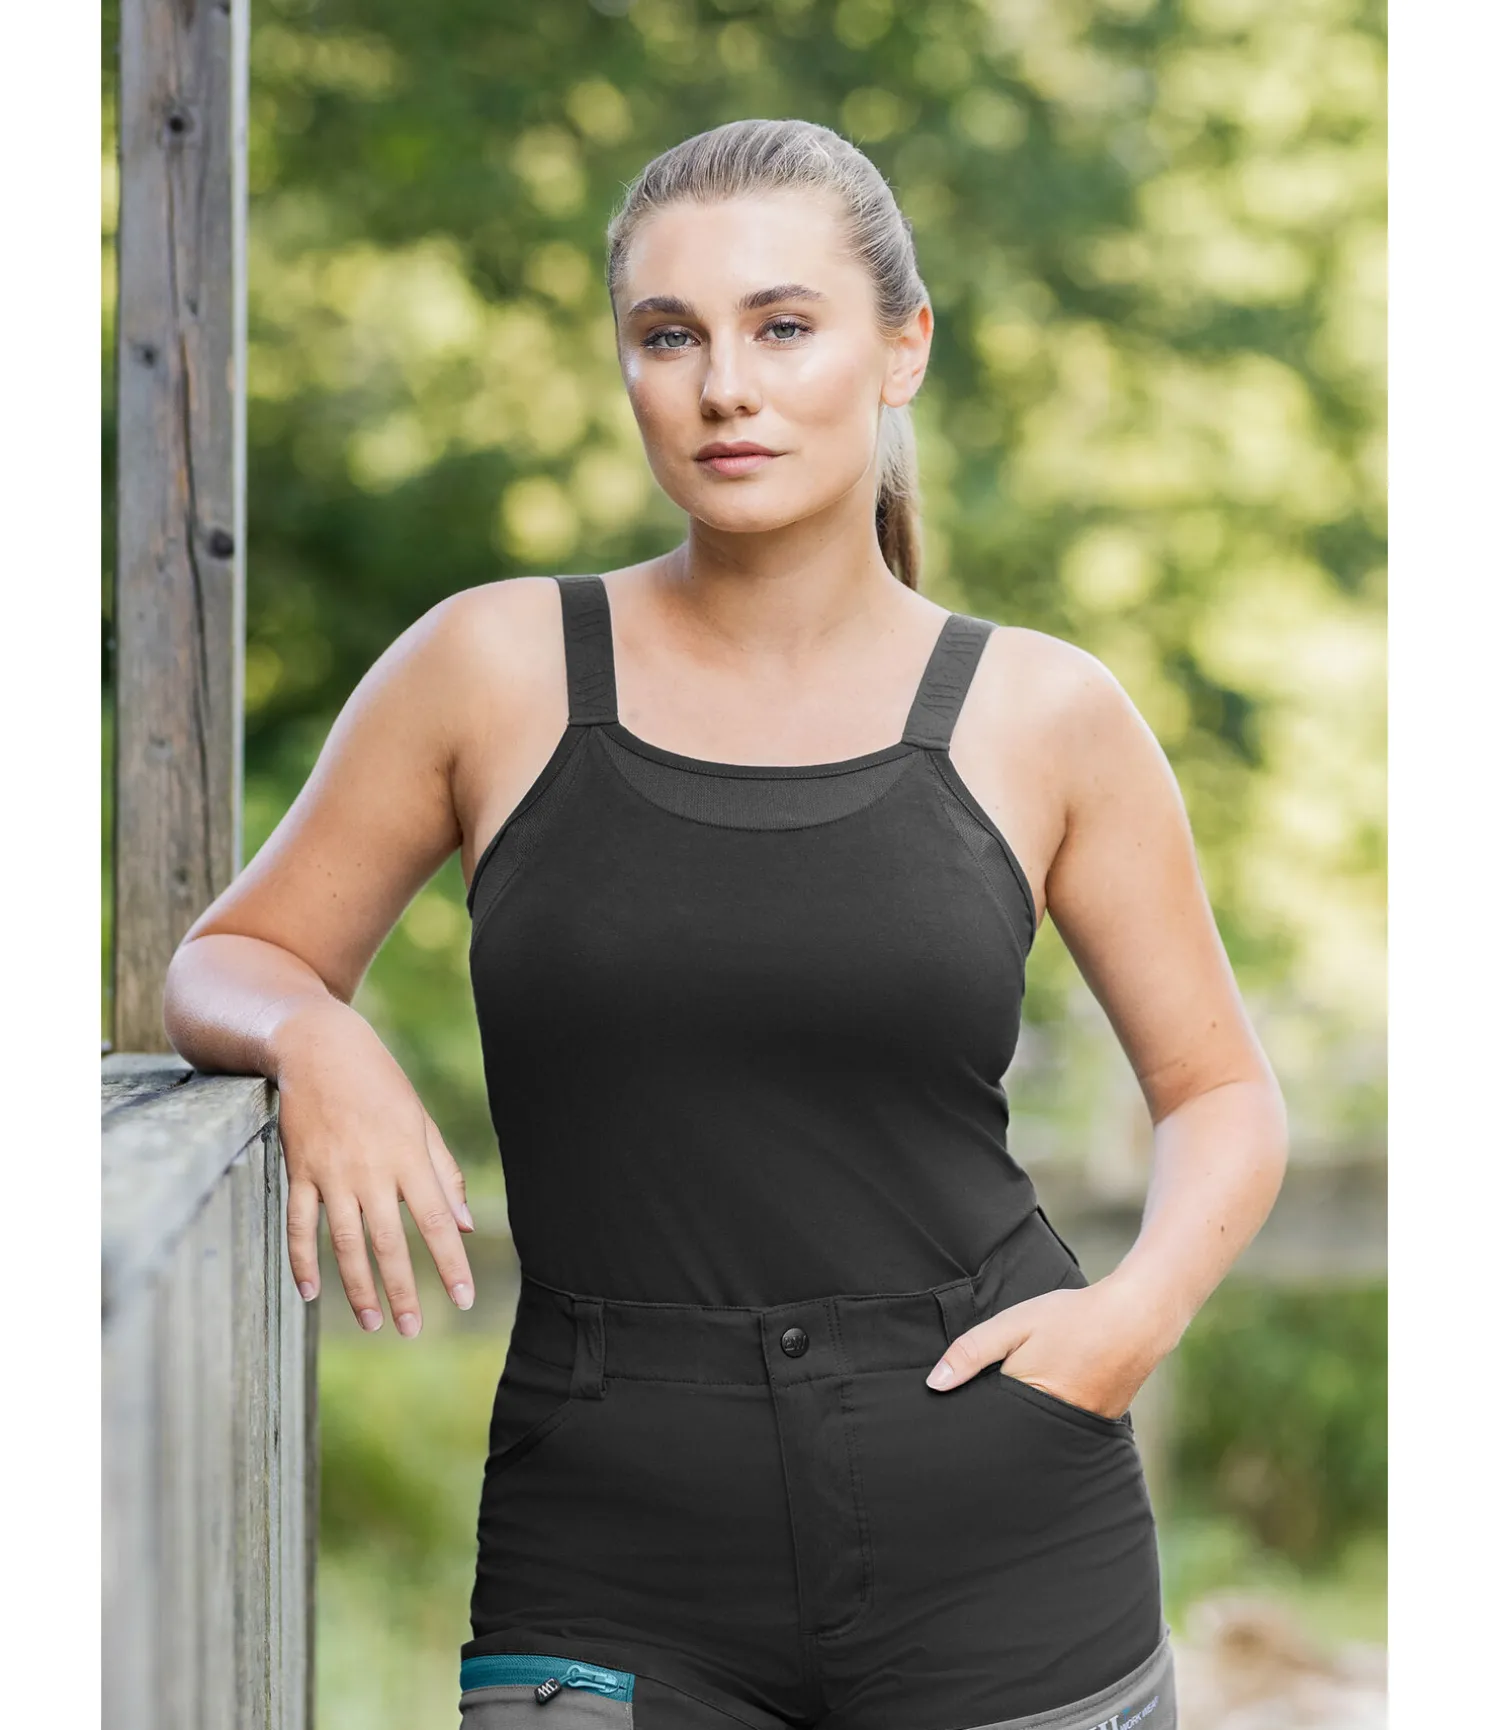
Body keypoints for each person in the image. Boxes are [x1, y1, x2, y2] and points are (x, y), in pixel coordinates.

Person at [163, 118, 1288, 1730]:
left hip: (1003, 1534)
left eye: (782, 326)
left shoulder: (1044, 713)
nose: (722, 387)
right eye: (668, 335)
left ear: (901, 348)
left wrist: (1132, 1317)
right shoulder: (489, 670)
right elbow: (228, 954)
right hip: (607, 1545)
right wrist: (313, 1034)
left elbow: (1220, 1089)